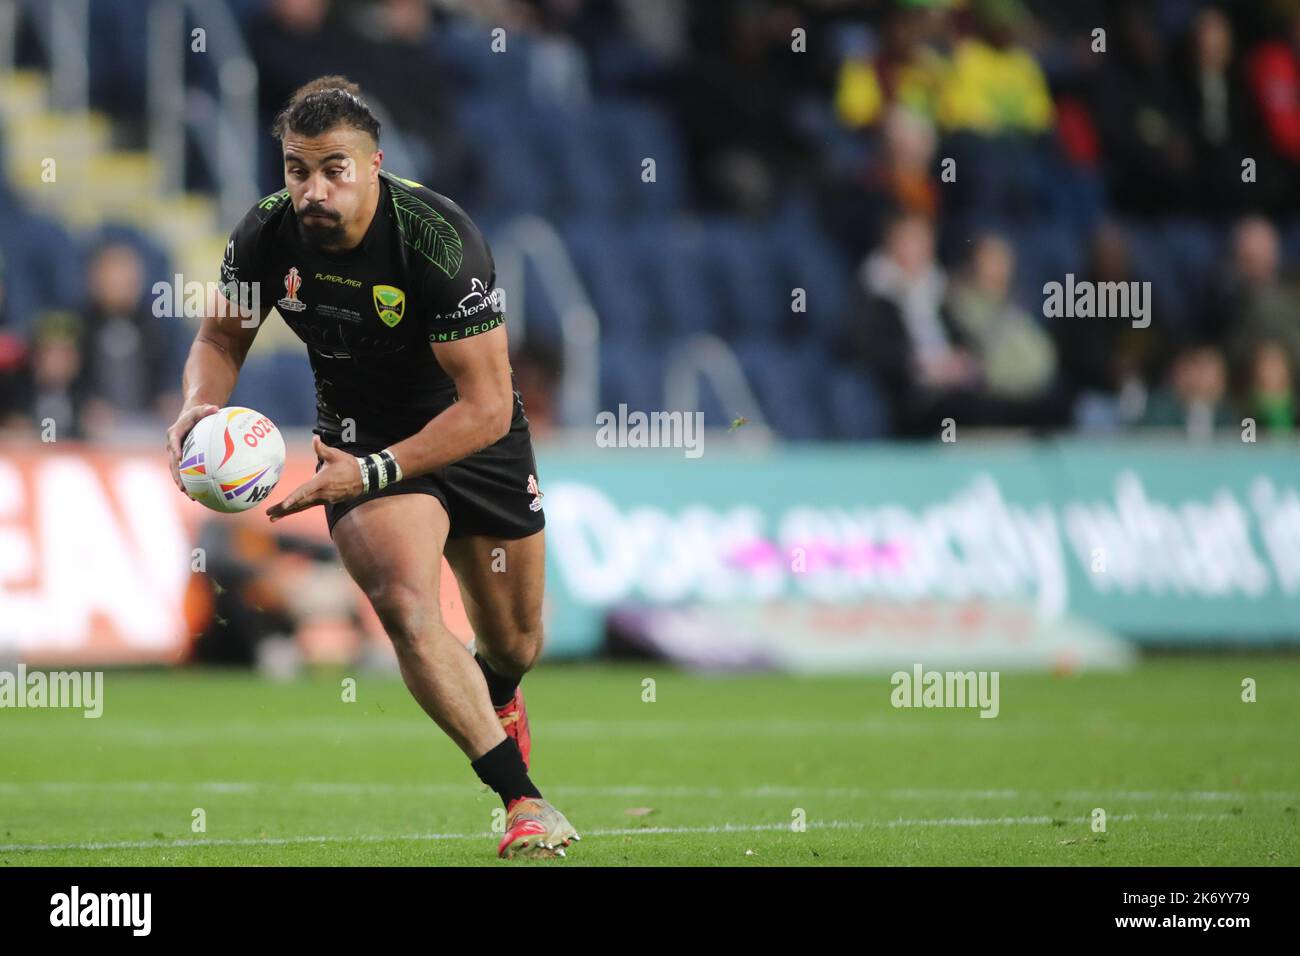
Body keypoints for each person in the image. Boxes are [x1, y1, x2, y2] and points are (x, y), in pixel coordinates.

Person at [164, 76, 578, 859]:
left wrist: (379, 470)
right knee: (402, 600)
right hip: (355, 435)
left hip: (471, 434)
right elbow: (222, 340)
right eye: (297, 169)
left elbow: (487, 407)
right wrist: (198, 404)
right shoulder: (264, 234)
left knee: (516, 643)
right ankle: (522, 799)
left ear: (375, 164)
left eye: (334, 170)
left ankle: (498, 696)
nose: (313, 189)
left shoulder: (438, 240)